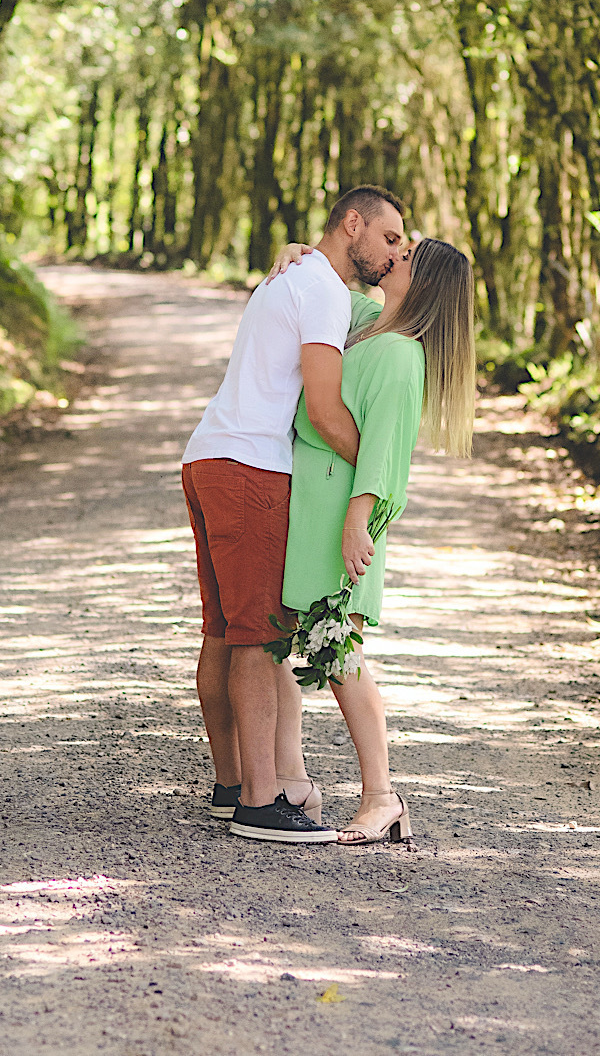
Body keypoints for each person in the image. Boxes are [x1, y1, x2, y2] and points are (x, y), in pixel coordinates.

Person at [180, 184, 406, 843]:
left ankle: (230, 786)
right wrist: (376, 475)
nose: (394, 254)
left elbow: (389, 313)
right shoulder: (323, 291)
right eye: (389, 239)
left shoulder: (303, 278)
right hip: (250, 467)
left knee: (223, 631)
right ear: (353, 224)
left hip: (209, 457)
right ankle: (259, 800)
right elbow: (323, 409)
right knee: (255, 634)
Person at [269, 235, 475, 845]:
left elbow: (384, 451)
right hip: (308, 503)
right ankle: (290, 778)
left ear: (424, 283)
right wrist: (299, 252)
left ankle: (382, 795)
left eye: (405, 259)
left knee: (337, 653)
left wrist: (358, 521)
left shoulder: (399, 355)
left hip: (339, 514)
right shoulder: (366, 323)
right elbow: (328, 288)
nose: (392, 259)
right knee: (284, 640)